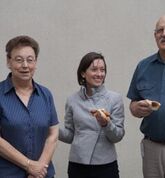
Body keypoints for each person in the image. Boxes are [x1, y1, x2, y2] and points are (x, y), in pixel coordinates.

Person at [0, 35, 59, 178]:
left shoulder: (45, 95)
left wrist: (39, 169)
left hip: (42, 174)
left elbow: (53, 134)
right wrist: (29, 165)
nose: (25, 65)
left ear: (36, 62)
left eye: (30, 60)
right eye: (19, 60)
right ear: (9, 62)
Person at [58, 52, 125, 178]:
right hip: (77, 164)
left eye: (102, 70)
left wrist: (106, 123)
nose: (99, 74)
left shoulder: (114, 99)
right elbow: (70, 135)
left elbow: (118, 136)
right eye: (94, 70)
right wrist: (52, 129)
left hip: (105, 165)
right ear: (83, 73)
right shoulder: (72, 100)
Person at [127, 14, 165, 178]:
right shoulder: (143, 66)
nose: (164, 34)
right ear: (155, 35)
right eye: (160, 30)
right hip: (151, 149)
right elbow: (133, 103)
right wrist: (136, 108)